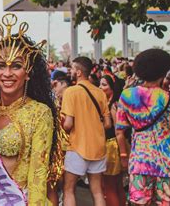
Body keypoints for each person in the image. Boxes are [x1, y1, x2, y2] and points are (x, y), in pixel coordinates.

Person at [0, 14, 56, 205]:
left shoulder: (40, 112)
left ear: (28, 73)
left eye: (17, 66)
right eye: (1, 66)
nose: (7, 73)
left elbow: (38, 175)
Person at [115, 49, 170, 206]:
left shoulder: (127, 95)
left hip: (140, 161)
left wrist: (124, 156)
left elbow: (120, 131)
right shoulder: (169, 98)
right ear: (163, 71)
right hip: (168, 164)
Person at [62, 56, 112, 206]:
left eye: (72, 69)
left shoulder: (71, 92)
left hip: (77, 147)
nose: (70, 71)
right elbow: (108, 124)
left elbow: (68, 124)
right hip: (98, 148)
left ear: (78, 72)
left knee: (69, 190)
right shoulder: (100, 92)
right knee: (97, 191)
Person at [99, 73, 126, 206]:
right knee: (117, 185)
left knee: (109, 186)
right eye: (100, 84)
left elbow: (118, 131)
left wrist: (123, 154)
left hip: (112, 147)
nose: (100, 87)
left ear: (112, 88)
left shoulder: (114, 105)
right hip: (114, 146)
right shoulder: (109, 103)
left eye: (104, 85)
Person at [47, 74, 71, 205]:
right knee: (54, 183)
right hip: (57, 145)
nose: (55, 88)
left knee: (56, 183)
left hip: (62, 146)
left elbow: (67, 124)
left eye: (57, 85)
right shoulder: (53, 98)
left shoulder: (68, 97)